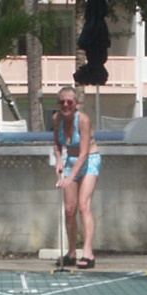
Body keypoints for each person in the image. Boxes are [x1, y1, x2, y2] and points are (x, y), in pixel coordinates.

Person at [52, 86, 101, 269]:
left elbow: (84, 153)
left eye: (69, 102)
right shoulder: (56, 119)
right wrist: (58, 160)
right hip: (70, 161)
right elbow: (57, 144)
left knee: (83, 206)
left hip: (89, 161)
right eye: (62, 102)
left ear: (76, 104)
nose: (66, 105)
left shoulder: (83, 120)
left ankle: (88, 252)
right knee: (69, 210)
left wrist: (70, 177)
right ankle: (71, 252)